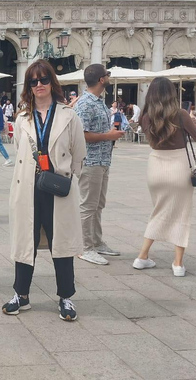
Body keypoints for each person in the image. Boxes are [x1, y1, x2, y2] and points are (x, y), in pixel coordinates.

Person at [1, 60, 86, 322]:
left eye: (44, 80)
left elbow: (79, 154)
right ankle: (21, 295)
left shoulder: (68, 115)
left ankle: (66, 297)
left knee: (61, 244)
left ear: (52, 82)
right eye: (33, 81)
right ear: (28, 86)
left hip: (57, 188)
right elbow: (19, 151)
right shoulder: (22, 118)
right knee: (25, 243)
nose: (39, 85)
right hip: (28, 187)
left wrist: (67, 179)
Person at [132, 77, 196, 277]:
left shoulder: (145, 116)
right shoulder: (180, 114)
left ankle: (142, 256)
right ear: (171, 94)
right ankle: (178, 264)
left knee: (159, 211)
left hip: (155, 167)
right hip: (178, 166)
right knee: (181, 213)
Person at [75, 64, 126, 266]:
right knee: (88, 206)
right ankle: (84, 247)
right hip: (91, 161)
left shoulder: (98, 101)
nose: (109, 77)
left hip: (103, 160)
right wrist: (109, 136)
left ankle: (96, 242)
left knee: (98, 204)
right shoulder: (85, 103)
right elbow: (82, 135)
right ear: (101, 80)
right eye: (107, 75)